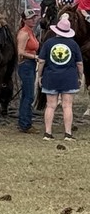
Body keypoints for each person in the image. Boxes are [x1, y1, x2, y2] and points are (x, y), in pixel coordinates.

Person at [36, 13, 84, 141]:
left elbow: (41, 61)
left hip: (51, 77)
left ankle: (47, 132)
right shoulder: (73, 45)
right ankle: (68, 133)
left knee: (50, 105)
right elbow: (79, 63)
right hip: (68, 78)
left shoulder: (48, 43)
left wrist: (39, 75)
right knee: (67, 106)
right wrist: (80, 77)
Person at [16, 8, 40, 134]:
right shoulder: (24, 33)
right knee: (29, 95)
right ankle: (25, 123)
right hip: (26, 65)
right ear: (25, 20)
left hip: (29, 65)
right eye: (30, 18)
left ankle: (24, 121)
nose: (33, 20)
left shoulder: (31, 32)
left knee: (27, 94)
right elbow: (20, 52)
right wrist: (35, 57)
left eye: (34, 17)